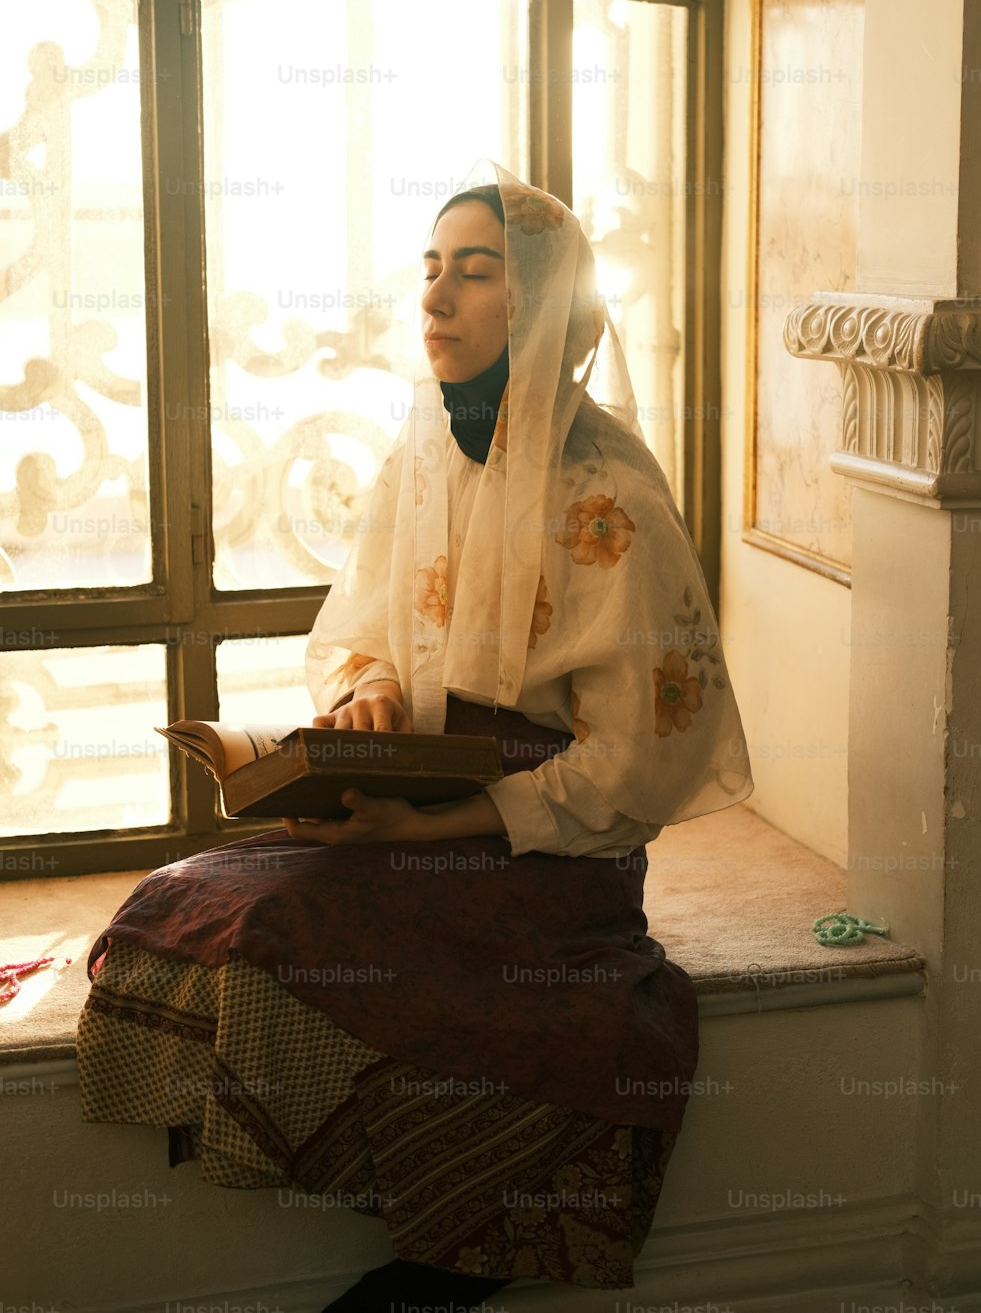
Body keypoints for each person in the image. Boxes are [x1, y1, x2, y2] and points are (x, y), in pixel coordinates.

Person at [77, 163, 753, 1313]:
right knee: (179, 903)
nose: (435, 298)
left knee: (288, 927)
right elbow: (361, 631)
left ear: (539, 306)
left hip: (549, 846)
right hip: (421, 798)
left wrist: (446, 816)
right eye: (429, 270)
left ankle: (440, 1256)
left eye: (475, 273)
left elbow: (643, 757)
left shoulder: (609, 492)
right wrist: (374, 699)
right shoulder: (421, 455)